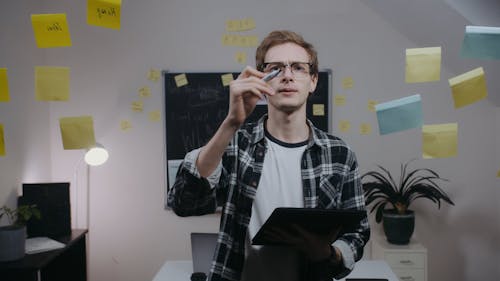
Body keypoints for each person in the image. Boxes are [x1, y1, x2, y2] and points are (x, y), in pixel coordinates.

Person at [168, 30, 370, 281]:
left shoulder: (340, 154)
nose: (287, 76)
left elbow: (358, 232)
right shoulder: (235, 145)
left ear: (314, 81)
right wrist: (231, 122)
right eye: (276, 68)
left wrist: (329, 253)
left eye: (298, 67)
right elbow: (183, 203)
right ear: (263, 81)